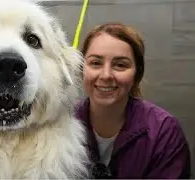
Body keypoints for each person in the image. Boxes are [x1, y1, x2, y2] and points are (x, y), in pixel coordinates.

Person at [75, 22, 190, 179]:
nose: (106, 75)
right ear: (82, 69)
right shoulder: (61, 123)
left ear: (137, 74)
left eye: (120, 65)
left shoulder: (164, 132)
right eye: (96, 63)